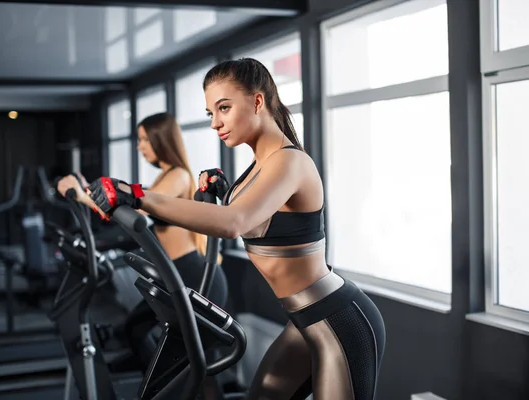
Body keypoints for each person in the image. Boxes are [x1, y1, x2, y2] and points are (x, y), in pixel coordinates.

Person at [58, 58, 386, 400]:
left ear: (257, 101)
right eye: (210, 113)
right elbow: (245, 213)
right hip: (304, 321)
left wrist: (139, 196)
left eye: (224, 108)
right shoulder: (259, 166)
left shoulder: (290, 161)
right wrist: (220, 187)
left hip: (340, 319)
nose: (216, 123)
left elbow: (234, 222)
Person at [70, 112, 228, 376]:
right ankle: (157, 381)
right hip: (177, 273)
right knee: (162, 342)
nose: (139, 146)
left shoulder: (178, 176)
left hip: (194, 274)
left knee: (194, 359)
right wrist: (88, 190)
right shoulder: (166, 176)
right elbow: (133, 197)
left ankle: (158, 382)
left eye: (144, 139)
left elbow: (141, 203)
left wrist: (82, 194)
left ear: (161, 140)